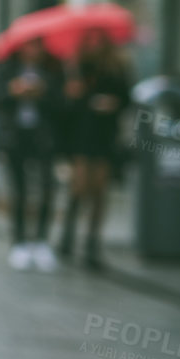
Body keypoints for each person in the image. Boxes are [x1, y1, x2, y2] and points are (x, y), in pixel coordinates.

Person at [0, 36, 67, 272]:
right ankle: (19, 241)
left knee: (46, 188)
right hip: (15, 137)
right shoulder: (7, 69)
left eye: (38, 45)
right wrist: (13, 91)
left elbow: (62, 104)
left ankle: (41, 241)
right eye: (29, 45)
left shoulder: (52, 70)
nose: (34, 50)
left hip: (42, 138)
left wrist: (41, 93)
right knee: (19, 190)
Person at [59, 29, 131, 269]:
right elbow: (65, 108)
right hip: (80, 135)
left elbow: (126, 99)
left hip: (105, 136)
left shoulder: (117, 68)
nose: (94, 43)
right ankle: (67, 237)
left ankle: (92, 243)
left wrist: (113, 104)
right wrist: (73, 95)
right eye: (89, 38)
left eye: (98, 38)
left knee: (100, 190)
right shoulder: (75, 68)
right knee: (80, 186)